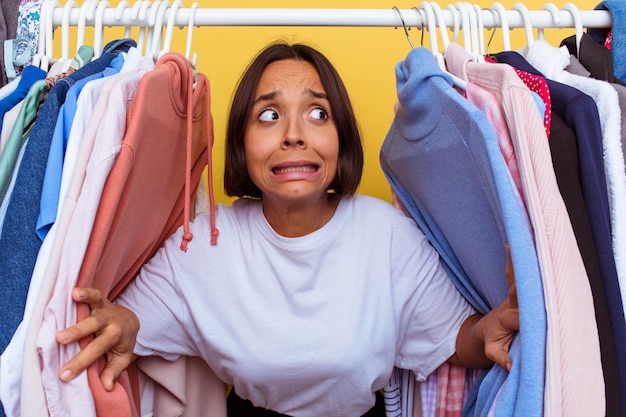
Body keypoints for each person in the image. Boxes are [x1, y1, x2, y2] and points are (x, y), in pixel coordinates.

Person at [56, 41, 519, 417]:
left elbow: (455, 341)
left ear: (341, 137)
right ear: (241, 141)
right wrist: (118, 325)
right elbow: (133, 326)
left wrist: (490, 331)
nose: (293, 134)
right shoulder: (204, 243)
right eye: (270, 116)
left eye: (318, 114)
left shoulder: (387, 235)